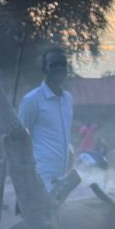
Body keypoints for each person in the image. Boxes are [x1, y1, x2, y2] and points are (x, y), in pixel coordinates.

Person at [18, 47, 74, 189]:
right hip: (40, 178)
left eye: (63, 65)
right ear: (44, 69)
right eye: (53, 65)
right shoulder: (32, 100)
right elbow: (20, 140)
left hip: (61, 178)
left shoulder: (68, 99)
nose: (59, 68)